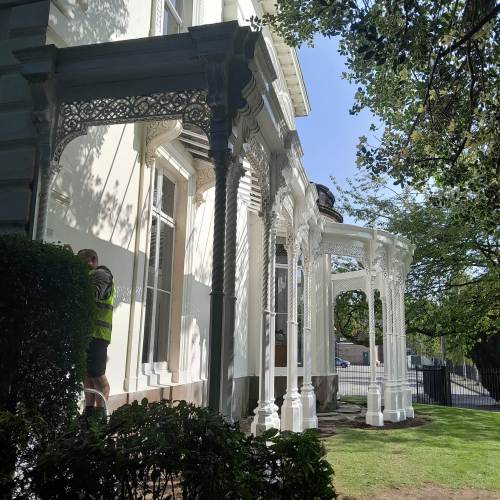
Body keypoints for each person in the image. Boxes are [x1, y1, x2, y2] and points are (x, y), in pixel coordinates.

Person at [78, 249, 114, 418]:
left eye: (82, 263)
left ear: (92, 260)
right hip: (89, 334)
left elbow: (91, 295)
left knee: (98, 377)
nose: (80, 268)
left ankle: (100, 417)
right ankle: (89, 413)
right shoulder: (91, 275)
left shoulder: (101, 275)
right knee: (88, 375)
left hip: (98, 335)